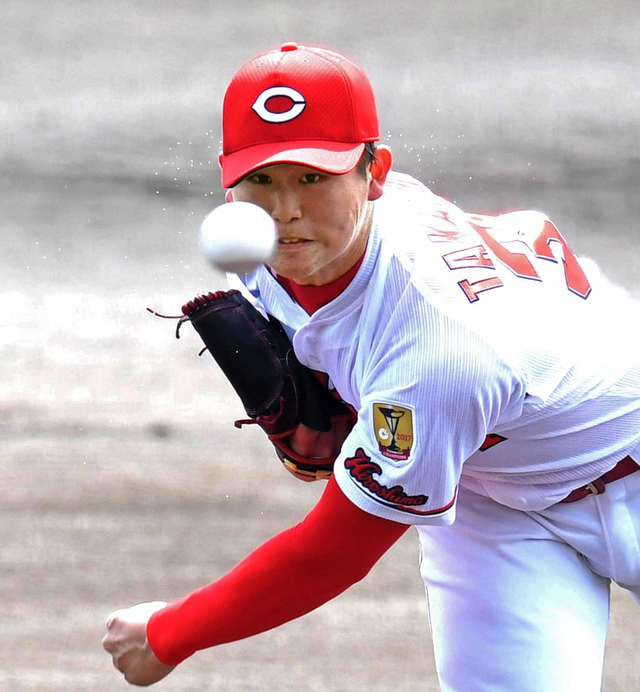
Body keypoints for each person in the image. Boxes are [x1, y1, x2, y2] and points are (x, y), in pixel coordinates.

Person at [103, 42, 640, 690]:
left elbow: (332, 554)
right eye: (262, 180)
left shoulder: (438, 351)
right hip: (495, 499)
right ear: (229, 182)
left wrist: (169, 633)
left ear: (374, 172)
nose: (286, 211)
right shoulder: (272, 252)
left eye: (313, 179)